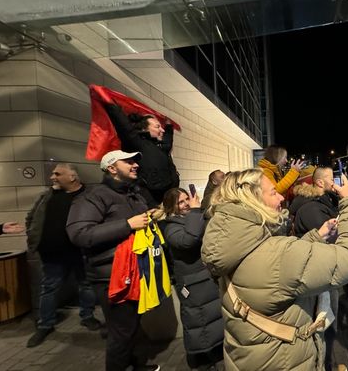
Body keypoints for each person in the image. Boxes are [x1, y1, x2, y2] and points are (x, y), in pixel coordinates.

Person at [201, 168, 348, 370]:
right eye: (273, 192)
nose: (281, 196)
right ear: (253, 200)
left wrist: (315, 237)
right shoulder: (278, 255)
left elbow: (271, 271)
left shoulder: (231, 244)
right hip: (285, 361)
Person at [66, 150, 160, 371]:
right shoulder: (93, 195)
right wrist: (128, 224)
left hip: (135, 271)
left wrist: (150, 216)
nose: (135, 164)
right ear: (111, 168)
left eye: (135, 160)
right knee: (121, 332)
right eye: (128, 161)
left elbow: (138, 224)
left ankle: (137, 365)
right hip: (111, 277)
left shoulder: (133, 194)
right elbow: (79, 233)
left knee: (133, 326)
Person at [25, 163, 102, 347]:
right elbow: (31, 217)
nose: (52, 177)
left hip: (81, 251)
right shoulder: (47, 196)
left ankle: (87, 316)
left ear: (72, 177)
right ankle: (45, 325)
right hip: (52, 253)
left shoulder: (88, 196)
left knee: (85, 284)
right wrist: (33, 235)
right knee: (49, 288)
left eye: (57, 174)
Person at [161, 188, 223, 370]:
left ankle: (215, 353)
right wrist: (196, 211)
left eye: (187, 199)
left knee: (212, 319)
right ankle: (200, 360)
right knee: (198, 322)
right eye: (180, 202)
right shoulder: (171, 227)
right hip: (192, 283)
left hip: (205, 278)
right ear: (172, 207)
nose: (186, 203)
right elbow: (189, 241)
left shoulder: (193, 218)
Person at [288, 166, 341, 370]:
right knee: (324, 321)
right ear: (319, 183)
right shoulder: (311, 209)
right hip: (320, 276)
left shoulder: (321, 202)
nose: (335, 182)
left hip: (322, 272)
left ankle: (327, 360)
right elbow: (329, 242)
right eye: (331, 179)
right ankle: (326, 363)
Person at [94, 87, 179, 206]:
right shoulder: (137, 142)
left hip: (169, 199)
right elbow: (124, 126)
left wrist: (169, 126)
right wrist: (109, 103)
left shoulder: (159, 146)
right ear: (144, 129)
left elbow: (168, 141)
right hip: (151, 202)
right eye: (157, 127)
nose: (162, 130)